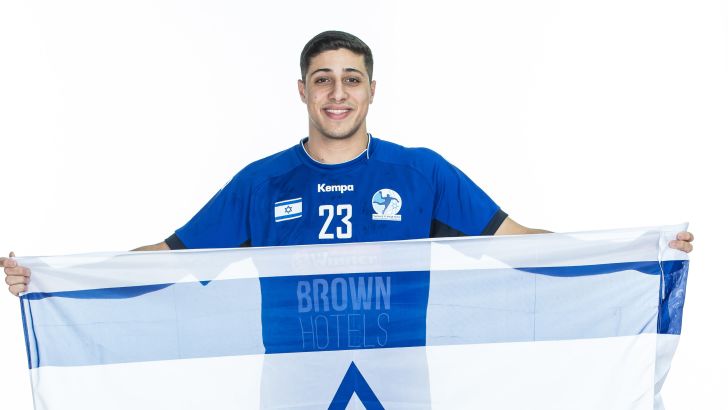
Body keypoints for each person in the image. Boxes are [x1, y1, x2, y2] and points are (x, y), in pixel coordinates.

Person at [2, 30, 694, 296]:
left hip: (398, 372)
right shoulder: (263, 182)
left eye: (351, 79)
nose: (338, 93)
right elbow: (168, 259)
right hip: (294, 380)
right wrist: (56, 278)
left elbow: (520, 245)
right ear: (303, 91)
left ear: (371, 90)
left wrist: (637, 253)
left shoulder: (420, 173)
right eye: (324, 79)